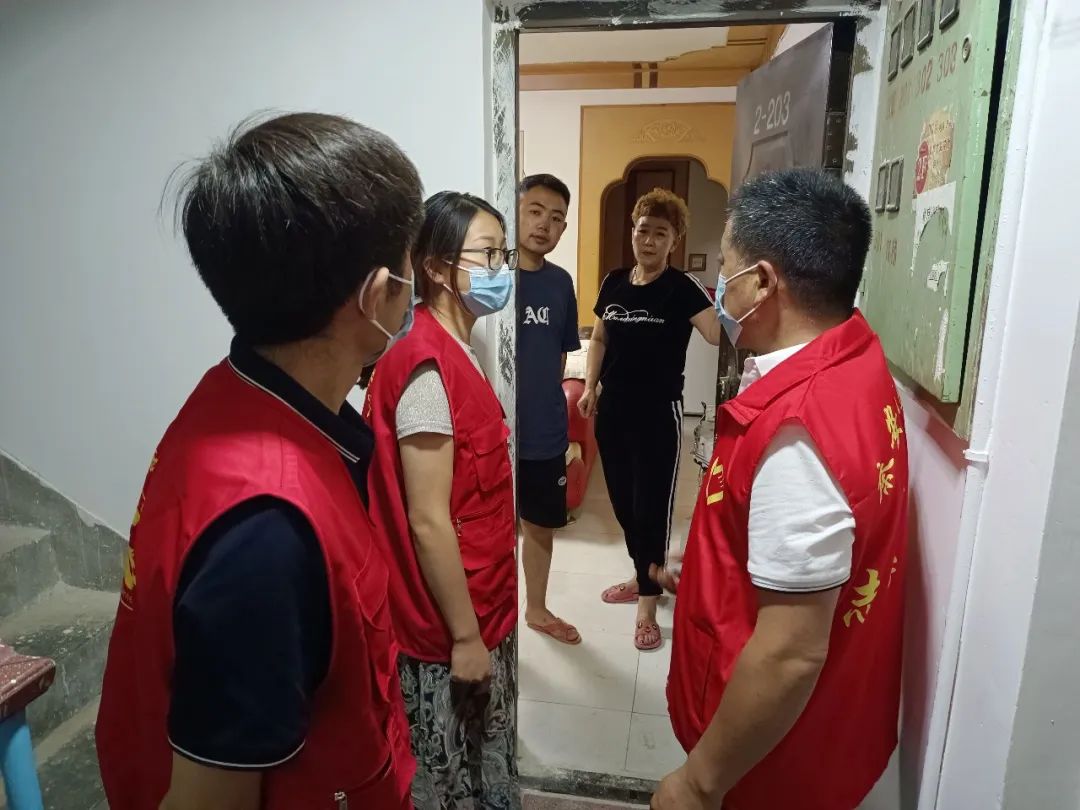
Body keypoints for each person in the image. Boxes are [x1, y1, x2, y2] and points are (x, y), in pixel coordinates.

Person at [95, 113, 424, 810]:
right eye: (409, 267)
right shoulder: (267, 532)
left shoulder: (234, 393)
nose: (415, 285)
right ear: (375, 297)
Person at [652, 168, 909, 810]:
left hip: (767, 771)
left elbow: (791, 652)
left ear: (763, 282)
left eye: (726, 268)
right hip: (831, 736)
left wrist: (698, 782)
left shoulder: (798, 433)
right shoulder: (854, 357)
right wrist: (711, 563)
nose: (719, 286)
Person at [363, 191, 519, 810]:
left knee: (486, 767)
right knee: (450, 779)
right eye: (487, 254)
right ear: (434, 266)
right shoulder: (425, 368)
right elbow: (428, 520)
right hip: (447, 630)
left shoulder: (460, 349)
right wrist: (465, 638)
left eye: (503, 254)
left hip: (484, 603)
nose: (500, 269)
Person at [577, 187, 723, 650]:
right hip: (613, 410)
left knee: (652, 508)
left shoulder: (682, 288)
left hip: (659, 414)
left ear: (674, 240)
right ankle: (645, 574)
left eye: (661, 233)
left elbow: (717, 334)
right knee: (623, 504)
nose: (649, 240)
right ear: (633, 232)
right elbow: (599, 338)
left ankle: (646, 603)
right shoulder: (614, 282)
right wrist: (589, 385)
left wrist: (736, 287)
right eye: (643, 230)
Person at [516, 173, 582, 645]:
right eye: (535, 211)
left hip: (543, 430)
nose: (544, 225)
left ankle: (536, 610)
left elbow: (560, 356)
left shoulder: (560, 283)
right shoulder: (490, 279)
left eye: (556, 218)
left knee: (540, 526)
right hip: (492, 430)